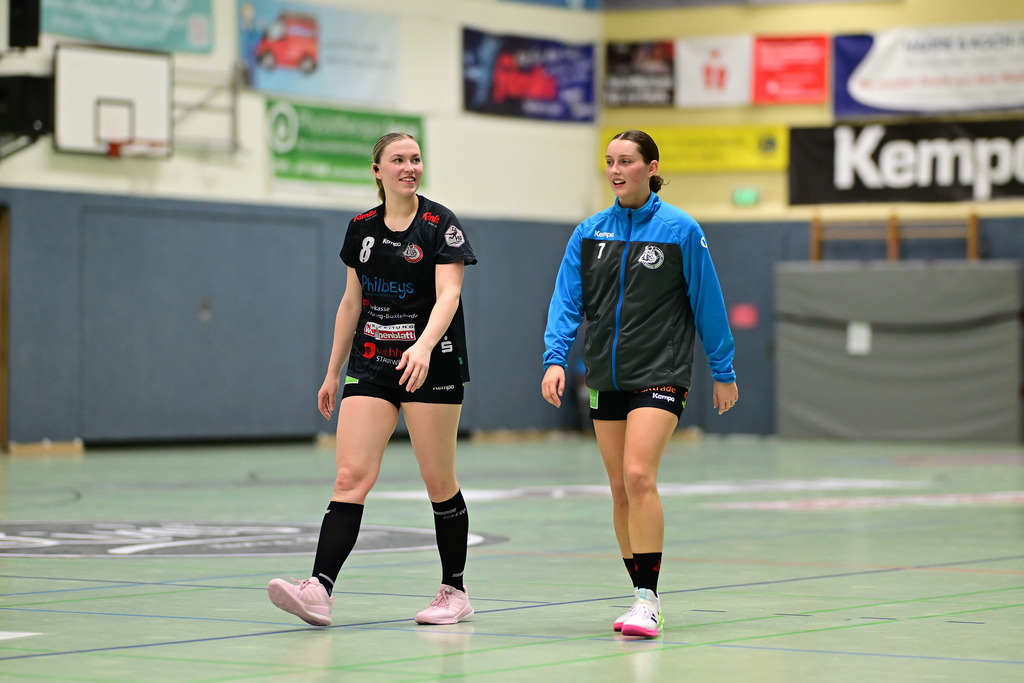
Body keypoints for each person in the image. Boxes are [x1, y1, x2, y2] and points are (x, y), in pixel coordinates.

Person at [268, 132, 477, 627]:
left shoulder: (439, 224)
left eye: (416, 158)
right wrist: (332, 370)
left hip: (433, 361)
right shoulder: (360, 228)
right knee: (349, 476)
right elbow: (351, 303)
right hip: (372, 363)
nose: (409, 167)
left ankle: (455, 591)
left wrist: (423, 346)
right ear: (377, 171)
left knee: (438, 480)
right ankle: (319, 589)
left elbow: (449, 294)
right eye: (398, 160)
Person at [541, 130, 738, 638]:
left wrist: (724, 370)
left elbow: (707, 303)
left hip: (661, 373)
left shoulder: (681, 230)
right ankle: (636, 595)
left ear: (651, 167)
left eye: (626, 161)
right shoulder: (589, 232)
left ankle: (649, 601)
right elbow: (567, 301)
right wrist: (555, 358)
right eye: (609, 161)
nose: (615, 169)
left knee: (638, 475)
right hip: (606, 377)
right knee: (618, 489)